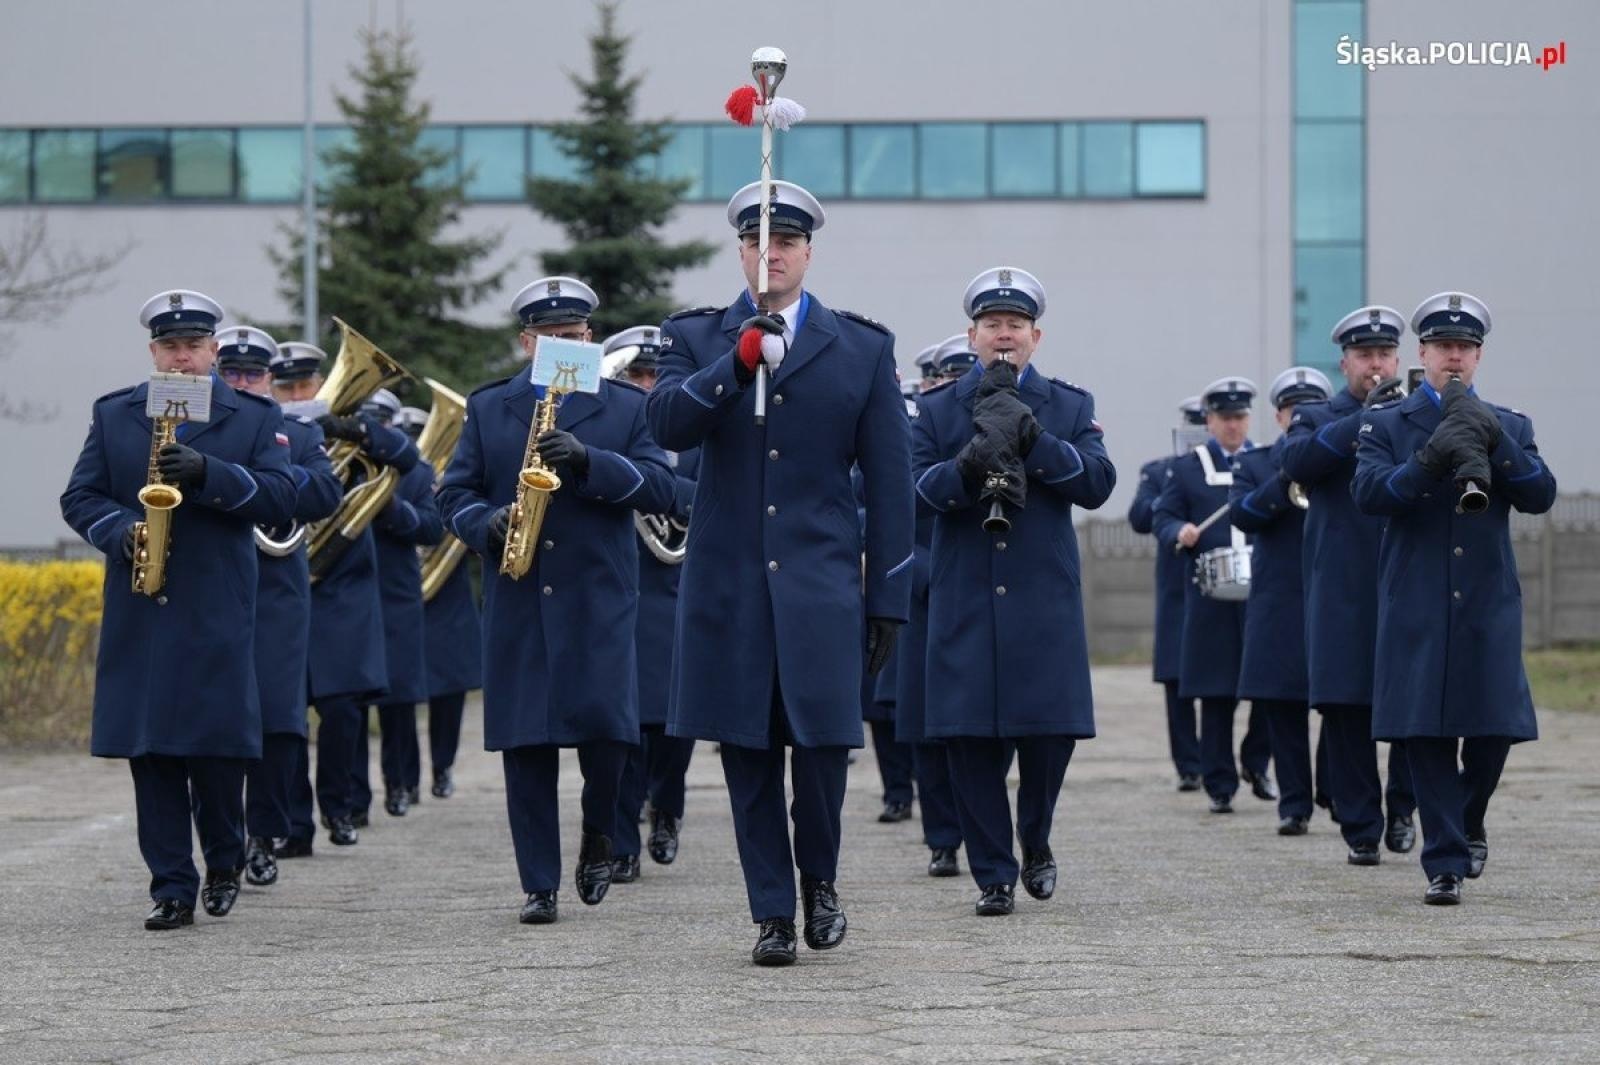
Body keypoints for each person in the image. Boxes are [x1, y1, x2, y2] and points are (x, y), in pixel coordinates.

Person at [646, 181, 913, 965]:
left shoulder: (862, 348)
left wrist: (887, 597)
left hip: (823, 588)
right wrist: (736, 362)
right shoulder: (695, 336)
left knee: (823, 750)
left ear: (808, 252)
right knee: (749, 754)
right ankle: (771, 911)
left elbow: (892, 486)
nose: (774, 253)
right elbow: (665, 422)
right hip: (729, 587)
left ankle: (820, 881)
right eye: (760, 241)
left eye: (788, 242)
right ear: (741, 250)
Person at [439, 277, 674, 925]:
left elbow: (663, 487)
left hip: (597, 603)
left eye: (572, 337)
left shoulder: (625, 406)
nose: (562, 346)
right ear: (526, 341)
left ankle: (601, 832)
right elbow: (452, 493)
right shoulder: (490, 408)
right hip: (519, 599)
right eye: (549, 338)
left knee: (608, 736)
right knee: (527, 746)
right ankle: (538, 882)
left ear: (590, 339)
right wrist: (483, 525)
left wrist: (591, 460)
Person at [61, 290, 296, 930]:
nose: (183, 358)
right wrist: (120, 531)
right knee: (152, 751)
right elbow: (79, 496)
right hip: (141, 605)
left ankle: (224, 858)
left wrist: (208, 472)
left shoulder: (250, 416)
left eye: (193, 346)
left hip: (216, 607)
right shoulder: (116, 415)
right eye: (170, 346)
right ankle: (170, 884)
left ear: (213, 351)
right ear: (153, 352)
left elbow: (280, 497)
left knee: (216, 751)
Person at [912, 267, 1116, 916]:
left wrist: (1036, 438)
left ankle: (1036, 836)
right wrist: (969, 464)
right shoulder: (939, 407)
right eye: (993, 325)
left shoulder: (1070, 403)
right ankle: (993, 873)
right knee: (969, 740)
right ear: (971, 334)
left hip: (1040, 594)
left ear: (1037, 336)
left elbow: (1097, 483)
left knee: (1048, 734)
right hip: (967, 591)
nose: (1005, 335)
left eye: (1016, 325)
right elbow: (920, 488)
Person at [1353, 291, 1556, 905]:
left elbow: (1540, 494)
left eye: (1465, 348)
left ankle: (1468, 819)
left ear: (1479, 355)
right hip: (1416, 597)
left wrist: (1496, 441)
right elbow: (1369, 494)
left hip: (1487, 599)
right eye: (1443, 347)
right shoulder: (1387, 423)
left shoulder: (1510, 421)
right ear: (1423, 353)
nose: (1454, 358)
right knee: (1426, 733)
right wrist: (1429, 459)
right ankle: (1443, 861)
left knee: (1495, 728)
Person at [1279, 305, 1419, 863]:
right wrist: (1364, 421)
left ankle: (1405, 806)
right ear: (1344, 362)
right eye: (1365, 356)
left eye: (1385, 354)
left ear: (1400, 358)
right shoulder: (1318, 414)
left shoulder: (1416, 413)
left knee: (1412, 699)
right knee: (1346, 707)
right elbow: (1296, 462)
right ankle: (1361, 825)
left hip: (1404, 578)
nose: (1376, 366)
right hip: (1340, 586)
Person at [271, 342, 423, 847]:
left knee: (342, 710)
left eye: (305, 385)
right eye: (287, 387)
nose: (298, 395)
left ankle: (341, 809)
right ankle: (294, 824)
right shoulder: (266, 427)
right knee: (287, 716)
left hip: (344, 591)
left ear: (320, 385)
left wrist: (349, 429)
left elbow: (409, 457)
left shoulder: (355, 433)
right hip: (289, 587)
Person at [213, 326, 342, 888]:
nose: (243, 384)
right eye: (232, 374)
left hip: (277, 587)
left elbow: (324, 494)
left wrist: (262, 473)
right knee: (213, 718)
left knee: (279, 717)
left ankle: (265, 833)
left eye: (253, 375)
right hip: (213, 584)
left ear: (269, 380)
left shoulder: (298, 431)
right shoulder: (202, 430)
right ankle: (223, 836)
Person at [601, 325, 700, 881]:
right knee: (624, 727)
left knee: (673, 727)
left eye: (652, 376)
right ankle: (622, 843)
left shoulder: (691, 433)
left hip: (680, 593)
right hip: (625, 590)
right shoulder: (610, 430)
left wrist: (651, 485)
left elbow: (708, 493)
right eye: (635, 375)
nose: (645, 385)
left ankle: (667, 808)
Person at [1153, 378, 1274, 813]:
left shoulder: (1267, 461)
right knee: (1217, 694)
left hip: (1262, 592)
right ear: (1209, 421)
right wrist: (1176, 531)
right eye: (1225, 418)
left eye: (1240, 417)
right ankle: (1219, 783)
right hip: (1210, 596)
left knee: (1270, 688)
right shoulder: (1187, 468)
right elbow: (1162, 515)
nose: (1234, 426)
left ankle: (1257, 762)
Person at [1229, 367, 1333, 836]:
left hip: (1334, 595)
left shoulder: (1344, 455)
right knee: (1284, 708)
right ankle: (1295, 804)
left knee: (1343, 702)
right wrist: (1287, 477)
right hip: (1279, 600)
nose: (1299, 419)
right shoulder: (1256, 463)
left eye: (1310, 411)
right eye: (1293, 411)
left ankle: (1333, 786)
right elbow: (1244, 514)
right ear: (1278, 416)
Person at [895, 336, 977, 879]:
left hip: (977, 592)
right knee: (928, 727)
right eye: (943, 379)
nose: (950, 389)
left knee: (976, 723)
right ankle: (942, 837)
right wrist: (924, 574)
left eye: (959, 379)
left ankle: (981, 831)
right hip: (924, 592)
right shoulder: (910, 434)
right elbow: (883, 510)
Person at [355, 389, 444, 818]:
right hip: (350, 592)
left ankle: (401, 783)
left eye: (382, 422)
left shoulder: (416, 470)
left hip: (396, 593)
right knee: (349, 700)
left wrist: (390, 507)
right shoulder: (343, 465)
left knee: (399, 701)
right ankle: (354, 798)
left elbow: (431, 527)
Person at [396, 406, 482, 801]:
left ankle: (442, 767)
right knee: (404, 696)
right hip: (405, 595)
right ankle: (407, 778)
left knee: (449, 691)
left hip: (448, 596)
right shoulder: (398, 479)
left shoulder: (449, 479)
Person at [1128, 397, 1206, 791]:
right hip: (1178, 587)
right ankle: (1189, 765)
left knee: (1225, 679)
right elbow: (1140, 516)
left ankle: (1222, 760)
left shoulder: (1236, 468)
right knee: (1177, 679)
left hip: (1222, 584)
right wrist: (1174, 498)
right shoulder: (1160, 472)